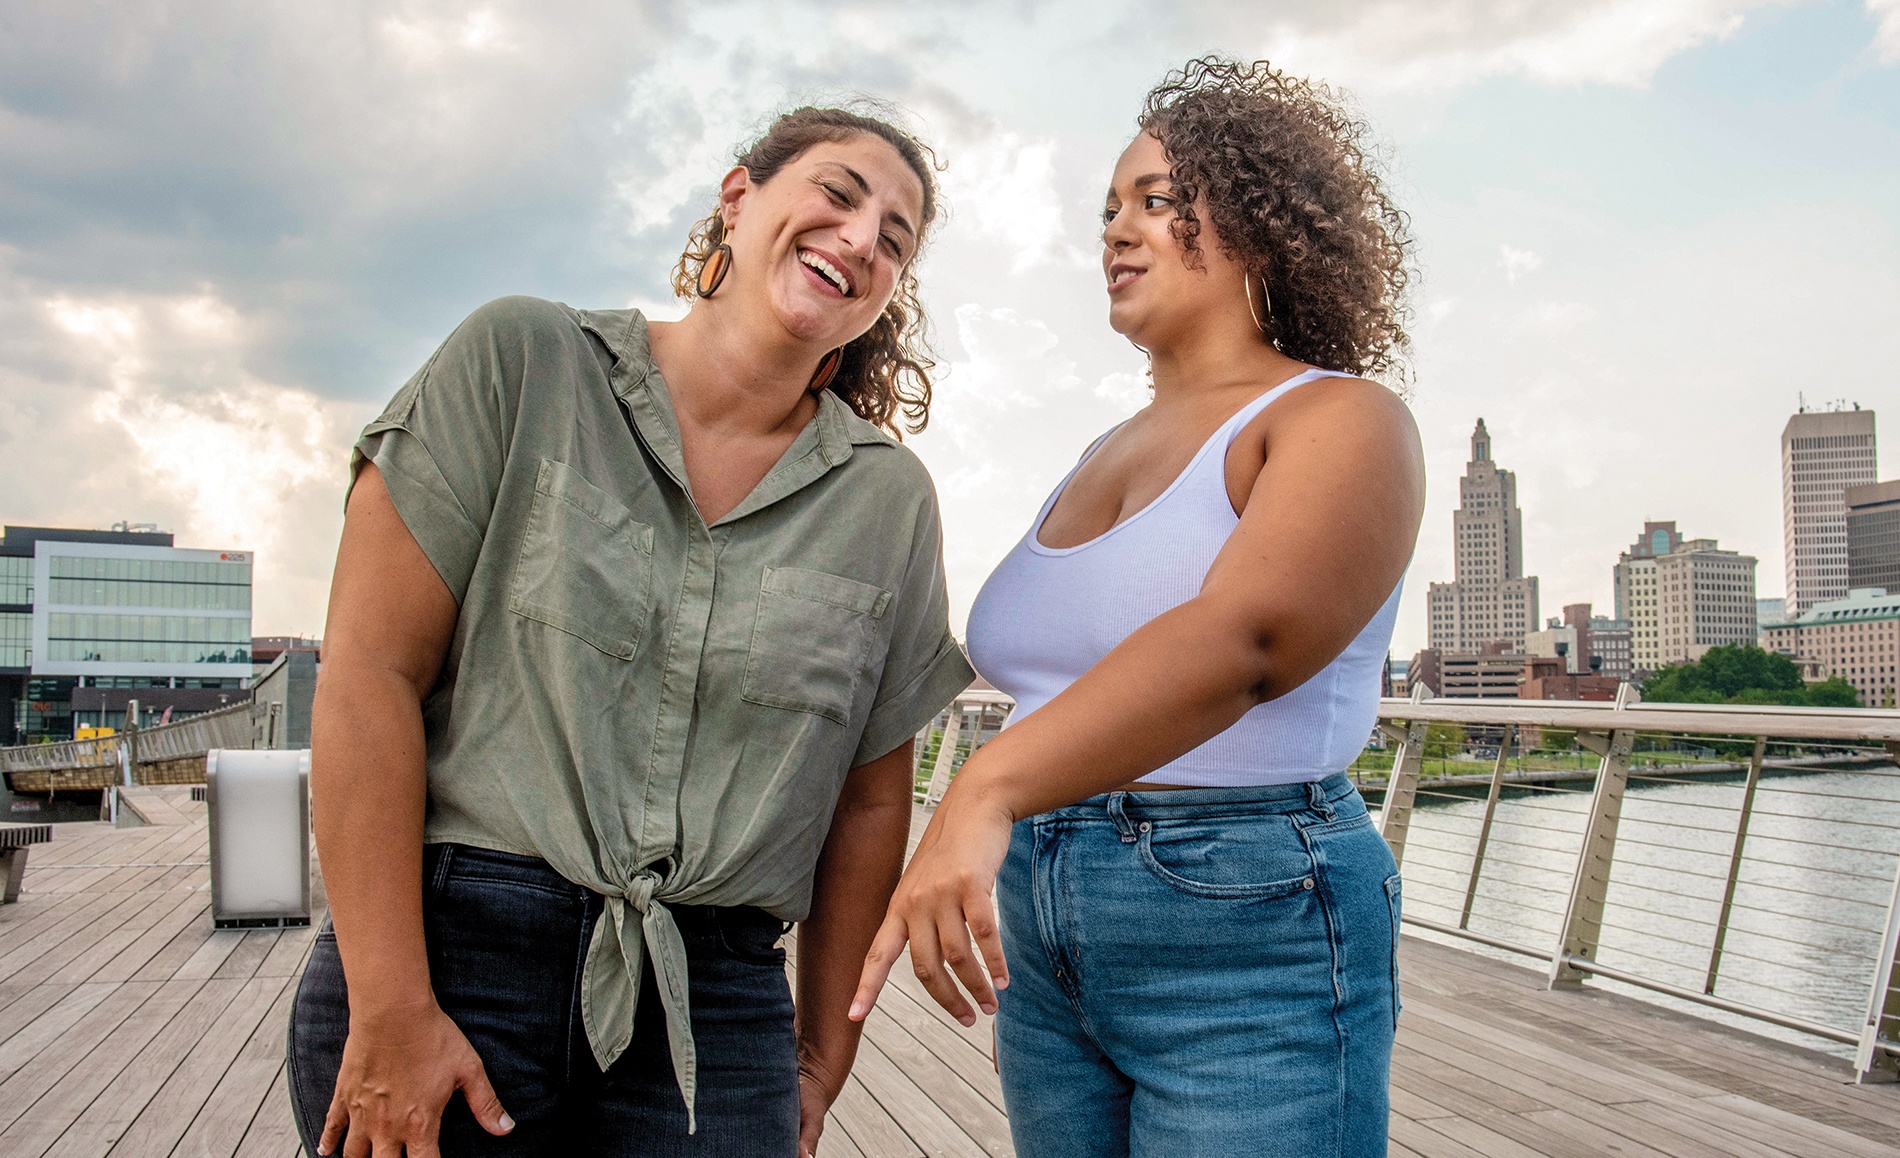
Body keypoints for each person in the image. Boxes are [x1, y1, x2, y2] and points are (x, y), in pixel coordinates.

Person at [288, 105, 975, 1158]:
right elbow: (369, 673)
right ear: (738, 201)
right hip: (453, 961)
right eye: (838, 195)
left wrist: (819, 1063)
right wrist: (389, 1008)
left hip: (718, 1011)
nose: (861, 240)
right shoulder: (522, 363)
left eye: (895, 240)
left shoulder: (887, 503)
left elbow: (872, 797)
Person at [851, 58, 1424, 1157]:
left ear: (1259, 223)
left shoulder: (1338, 420)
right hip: (1044, 917)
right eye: (1108, 208)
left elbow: (1245, 643)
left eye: (1157, 201)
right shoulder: (1094, 456)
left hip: (1246, 911)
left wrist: (982, 790)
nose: (1116, 231)